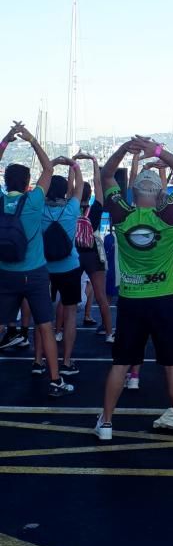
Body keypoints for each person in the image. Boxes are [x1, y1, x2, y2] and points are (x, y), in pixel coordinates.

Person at [93, 136, 173, 442]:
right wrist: (159, 152)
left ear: (133, 193)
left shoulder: (121, 216)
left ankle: (107, 423)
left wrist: (125, 149)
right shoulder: (169, 217)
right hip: (164, 299)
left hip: (132, 301)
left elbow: (106, 174)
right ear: (161, 194)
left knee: (121, 363)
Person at [0, 121, 70, 396]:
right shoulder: (33, 201)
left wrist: (6, 139)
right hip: (34, 272)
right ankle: (55, 380)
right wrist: (32, 140)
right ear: (27, 183)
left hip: (5, 270)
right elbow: (49, 169)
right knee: (45, 326)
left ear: (5, 181)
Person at [35, 158, 83, 377]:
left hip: (44, 266)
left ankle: (38, 361)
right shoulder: (72, 208)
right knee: (71, 314)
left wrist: (51, 164)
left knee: (42, 316)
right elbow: (80, 187)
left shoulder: (38, 208)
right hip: (69, 266)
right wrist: (75, 166)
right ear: (65, 191)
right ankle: (66, 361)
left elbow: (38, 186)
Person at [74, 153, 114, 342]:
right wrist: (94, 162)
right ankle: (109, 333)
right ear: (90, 195)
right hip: (92, 253)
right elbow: (99, 185)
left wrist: (74, 165)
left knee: (67, 297)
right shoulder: (96, 208)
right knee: (101, 296)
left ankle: (58, 330)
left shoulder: (70, 207)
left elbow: (70, 189)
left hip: (74, 254)